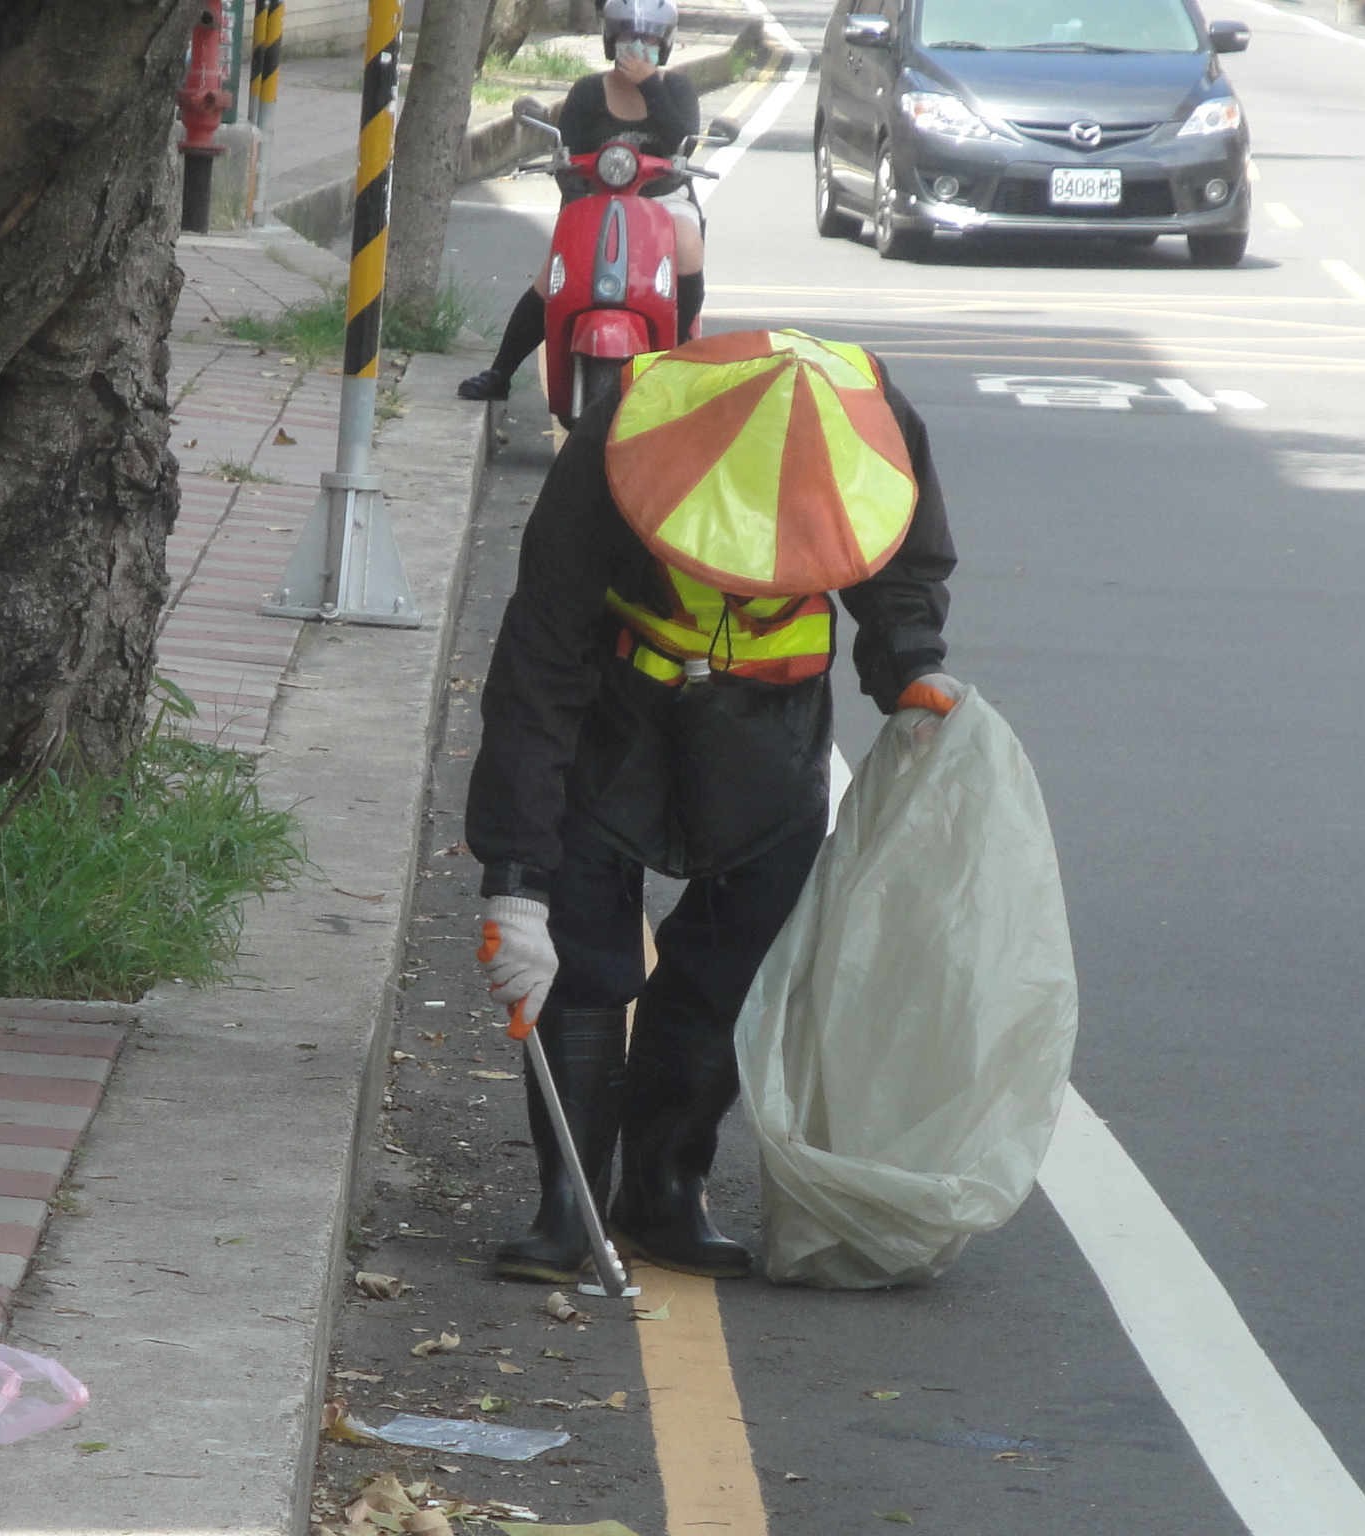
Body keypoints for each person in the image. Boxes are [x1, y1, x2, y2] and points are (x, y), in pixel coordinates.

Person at [468, 330, 962, 1281]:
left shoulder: (876, 421)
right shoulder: (620, 440)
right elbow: (538, 661)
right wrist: (518, 880)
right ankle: (569, 1204)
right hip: (623, 715)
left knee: (728, 966)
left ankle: (662, 1187)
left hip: (772, 730)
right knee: (584, 955)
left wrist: (912, 674)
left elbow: (905, 568)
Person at [458, 0, 705, 403]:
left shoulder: (675, 89)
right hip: (594, 197)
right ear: (610, 40)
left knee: (688, 250)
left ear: (665, 43)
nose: (638, 45)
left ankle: (676, 357)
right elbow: (565, 155)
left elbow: (684, 140)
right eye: (628, 36)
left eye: (648, 38)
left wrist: (649, 85)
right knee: (554, 278)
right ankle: (501, 372)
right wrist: (575, 197)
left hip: (663, 199)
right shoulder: (589, 91)